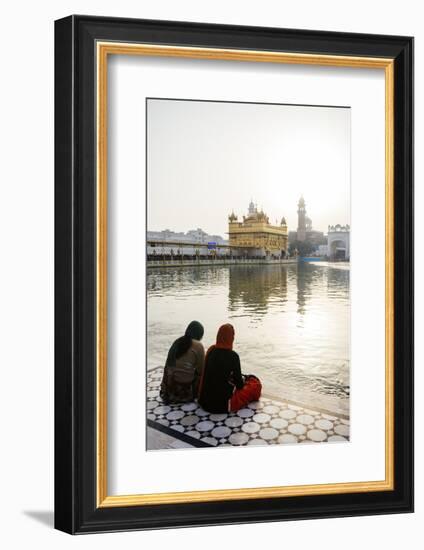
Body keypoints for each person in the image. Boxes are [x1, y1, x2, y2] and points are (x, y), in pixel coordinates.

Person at [198, 324, 262, 413]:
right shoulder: (233, 356)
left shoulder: (211, 351)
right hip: (222, 405)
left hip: (204, 402)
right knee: (255, 385)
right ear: (231, 338)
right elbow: (239, 385)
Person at [160, 321, 205, 404]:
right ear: (199, 335)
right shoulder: (198, 345)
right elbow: (201, 370)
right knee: (202, 374)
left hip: (167, 390)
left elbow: (168, 366)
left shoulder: (177, 341)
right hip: (184, 393)